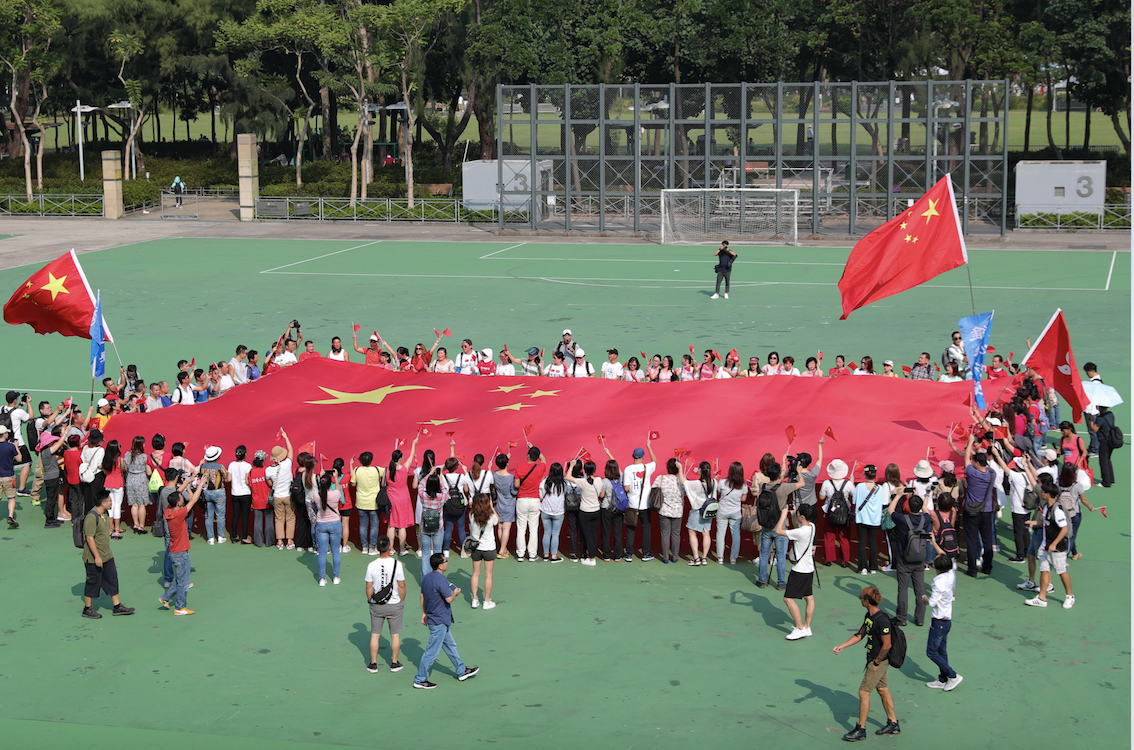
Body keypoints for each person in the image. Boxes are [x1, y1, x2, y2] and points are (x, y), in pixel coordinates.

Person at [832, 587, 901, 741]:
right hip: (874, 659)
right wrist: (842, 645)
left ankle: (860, 729)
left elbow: (887, 645)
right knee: (882, 689)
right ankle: (893, 723)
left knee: (863, 693)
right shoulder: (869, 616)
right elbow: (860, 634)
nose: (860, 599)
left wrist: (876, 662)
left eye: (861, 597)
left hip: (878, 660)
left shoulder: (882, 620)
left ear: (867, 601)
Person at [414, 553, 479, 689]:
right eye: (445, 561)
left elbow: (422, 596)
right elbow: (449, 599)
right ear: (440, 565)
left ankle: (461, 671)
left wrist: (424, 613)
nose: (447, 562)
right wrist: (455, 593)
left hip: (435, 618)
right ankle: (420, 679)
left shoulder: (426, 578)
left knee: (450, 646)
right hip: (439, 620)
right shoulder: (441, 580)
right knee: (432, 652)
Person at [81, 490, 135, 619]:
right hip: (94, 558)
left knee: (112, 579)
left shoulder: (104, 514)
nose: (112, 502)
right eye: (110, 500)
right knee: (93, 582)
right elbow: (89, 538)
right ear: (103, 503)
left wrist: (112, 533)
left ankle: (117, 607)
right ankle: (87, 609)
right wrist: (97, 556)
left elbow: (103, 530)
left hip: (107, 555)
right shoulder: (91, 517)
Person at [755, 462, 805, 589]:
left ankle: (761, 581)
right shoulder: (784, 488)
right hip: (781, 527)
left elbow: (775, 481)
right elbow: (801, 484)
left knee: (764, 554)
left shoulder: (763, 486)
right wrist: (798, 471)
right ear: (779, 475)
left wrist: (782, 475)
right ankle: (781, 583)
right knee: (781, 556)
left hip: (766, 526)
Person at [1023, 485, 1074, 609]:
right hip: (1045, 545)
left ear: (1048, 494)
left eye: (1043, 492)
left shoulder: (1057, 510)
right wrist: (1034, 523)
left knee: (1061, 571)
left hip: (1057, 548)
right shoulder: (1046, 507)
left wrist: (1054, 543)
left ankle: (1069, 596)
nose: (1041, 493)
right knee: (1044, 570)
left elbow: (1064, 529)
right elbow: (1046, 521)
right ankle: (1042, 598)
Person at [158, 476, 203, 615]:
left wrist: (187, 482)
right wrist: (201, 483)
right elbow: (194, 499)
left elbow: (178, 492)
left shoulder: (168, 511)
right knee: (183, 582)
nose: (182, 497)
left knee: (181, 578)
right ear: (178, 503)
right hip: (181, 553)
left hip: (174, 551)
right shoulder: (179, 513)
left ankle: (165, 598)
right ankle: (179, 607)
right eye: (180, 497)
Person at [888, 494, 933, 627]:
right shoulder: (924, 519)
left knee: (903, 589)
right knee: (920, 590)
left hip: (904, 558)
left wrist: (899, 495)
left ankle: (901, 618)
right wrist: (922, 498)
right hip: (919, 559)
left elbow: (891, 510)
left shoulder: (903, 519)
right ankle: (919, 619)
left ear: (908, 506)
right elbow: (927, 511)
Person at [366, 536, 407, 673]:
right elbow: (402, 585)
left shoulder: (371, 565)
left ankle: (373, 663)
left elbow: (368, 586)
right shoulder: (397, 564)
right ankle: (394, 663)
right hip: (394, 604)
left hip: (376, 605)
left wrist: (370, 600)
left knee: (375, 635)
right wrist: (402, 600)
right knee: (395, 635)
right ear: (390, 547)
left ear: (377, 548)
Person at [777, 502, 817, 640]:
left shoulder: (800, 532)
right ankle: (807, 627)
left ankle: (800, 628)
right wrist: (794, 514)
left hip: (799, 570)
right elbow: (798, 525)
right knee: (809, 597)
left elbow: (779, 531)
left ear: (802, 516)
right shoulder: (812, 526)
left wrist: (783, 515)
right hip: (809, 568)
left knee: (788, 598)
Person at [613, 438, 657, 561]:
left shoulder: (627, 469)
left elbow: (626, 488)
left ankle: (629, 554)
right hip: (645, 504)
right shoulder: (647, 468)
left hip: (632, 504)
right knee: (646, 529)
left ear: (633, 456)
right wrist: (649, 446)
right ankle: (645, 553)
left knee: (630, 529)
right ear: (643, 457)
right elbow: (655, 461)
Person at [922, 554, 962, 691]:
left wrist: (924, 597)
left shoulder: (938, 582)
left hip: (938, 622)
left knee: (931, 652)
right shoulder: (950, 575)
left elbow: (932, 602)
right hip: (947, 621)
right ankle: (942, 678)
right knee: (942, 651)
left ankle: (953, 675)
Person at [961, 436, 996, 578]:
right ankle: (987, 567)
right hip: (986, 512)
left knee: (971, 540)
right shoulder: (992, 474)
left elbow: (966, 459)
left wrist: (969, 443)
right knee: (987, 541)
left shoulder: (972, 473)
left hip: (971, 511)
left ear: (976, 463)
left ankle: (972, 569)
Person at [514, 445, 547, 563]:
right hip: (535, 500)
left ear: (528, 456)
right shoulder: (540, 467)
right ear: (537, 457)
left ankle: (520, 554)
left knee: (521, 528)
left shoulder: (520, 467)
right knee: (533, 529)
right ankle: (532, 554)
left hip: (522, 499)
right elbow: (544, 460)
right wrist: (534, 448)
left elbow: (517, 485)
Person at [565, 459, 602, 566]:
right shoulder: (599, 480)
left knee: (588, 535)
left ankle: (591, 558)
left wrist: (571, 466)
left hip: (585, 511)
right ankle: (591, 554)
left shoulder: (583, 482)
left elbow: (568, 477)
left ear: (585, 471)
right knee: (593, 534)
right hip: (596, 510)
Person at [386, 439, 418, 556]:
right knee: (402, 526)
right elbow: (411, 456)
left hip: (391, 500)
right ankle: (402, 549)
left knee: (391, 525)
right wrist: (413, 444)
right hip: (403, 499)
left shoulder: (387, 470)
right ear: (400, 459)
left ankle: (390, 549)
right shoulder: (404, 469)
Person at [651, 458, 685, 564]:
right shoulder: (682, 481)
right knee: (676, 534)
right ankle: (675, 557)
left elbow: (653, 489)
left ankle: (665, 557)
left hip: (664, 510)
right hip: (678, 511)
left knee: (665, 534)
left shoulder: (660, 478)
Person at [682, 461, 716, 566]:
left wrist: (680, 468)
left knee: (692, 532)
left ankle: (696, 558)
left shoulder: (697, 483)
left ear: (700, 470)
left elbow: (684, 482)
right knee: (706, 533)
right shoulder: (714, 482)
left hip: (697, 511)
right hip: (708, 511)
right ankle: (704, 558)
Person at [467, 493, 499, 606]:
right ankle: (486, 601)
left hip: (476, 548)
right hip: (489, 548)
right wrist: (491, 507)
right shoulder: (491, 516)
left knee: (475, 574)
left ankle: (474, 599)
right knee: (488, 575)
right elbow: (498, 520)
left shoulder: (472, 515)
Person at [351, 452, 385, 555]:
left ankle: (364, 547)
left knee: (363, 525)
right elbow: (388, 471)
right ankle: (372, 548)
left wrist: (350, 465)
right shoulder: (377, 470)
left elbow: (353, 483)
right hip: (374, 502)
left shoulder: (357, 470)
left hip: (361, 502)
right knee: (374, 526)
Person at [853, 465, 884, 575]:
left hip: (861, 517)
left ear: (865, 475)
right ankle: (873, 567)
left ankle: (863, 568)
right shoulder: (880, 488)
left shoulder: (860, 486)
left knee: (862, 542)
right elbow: (883, 502)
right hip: (874, 519)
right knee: (872, 542)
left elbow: (854, 501)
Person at [313, 475, 343, 586]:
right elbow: (339, 492)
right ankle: (336, 577)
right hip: (335, 523)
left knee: (322, 553)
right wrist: (336, 479)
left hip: (321, 524)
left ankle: (322, 579)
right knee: (335, 552)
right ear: (331, 484)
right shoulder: (335, 494)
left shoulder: (316, 495)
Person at [715, 462, 747, 564]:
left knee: (720, 534)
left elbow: (719, 492)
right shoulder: (743, 485)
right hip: (736, 512)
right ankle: (733, 558)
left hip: (722, 511)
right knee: (736, 535)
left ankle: (720, 557)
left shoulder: (722, 482)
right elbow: (743, 499)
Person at [267, 433, 295, 550]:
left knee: (279, 519)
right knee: (290, 518)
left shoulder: (268, 470)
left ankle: (279, 542)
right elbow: (291, 451)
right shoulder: (287, 464)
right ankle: (289, 541)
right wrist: (286, 437)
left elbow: (270, 484)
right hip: (288, 495)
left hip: (277, 496)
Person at [200, 446, 228, 544]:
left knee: (209, 516)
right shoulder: (220, 467)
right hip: (219, 492)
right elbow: (226, 476)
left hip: (207, 492)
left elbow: (200, 476)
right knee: (220, 515)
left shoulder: (203, 467)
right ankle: (220, 536)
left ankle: (210, 538)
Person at [539, 462, 567, 562]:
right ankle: (554, 556)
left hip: (545, 510)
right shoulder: (564, 483)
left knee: (546, 533)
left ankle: (546, 554)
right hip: (559, 511)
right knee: (555, 534)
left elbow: (541, 495)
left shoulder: (545, 481)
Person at [493, 453, 517, 559]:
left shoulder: (494, 474)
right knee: (506, 528)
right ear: (507, 463)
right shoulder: (511, 477)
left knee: (500, 527)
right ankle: (502, 550)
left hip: (498, 504)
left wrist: (505, 459)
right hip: (509, 504)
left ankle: (502, 548)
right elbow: (514, 491)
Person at [599, 459, 624, 562]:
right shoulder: (621, 478)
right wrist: (609, 454)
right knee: (618, 533)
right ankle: (617, 556)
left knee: (606, 533)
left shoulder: (605, 481)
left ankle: (606, 555)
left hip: (606, 508)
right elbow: (621, 471)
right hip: (618, 508)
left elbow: (602, 495)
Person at [228, 445, 253, 544]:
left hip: (235, 493)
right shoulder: (247, 466)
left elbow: (229, 479)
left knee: (236, 515)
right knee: (245, 516)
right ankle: (244, 537)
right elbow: (247, 481)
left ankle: (234, 536)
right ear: (245, 454)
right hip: (245, 493)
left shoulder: (231, 465)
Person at [1089, 405, 1117, 488]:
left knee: (1103, 461)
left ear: (1100, 408)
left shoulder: (1100, 418)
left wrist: (1091, 420)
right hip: (1111, 440)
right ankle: (1111, 480)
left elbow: (1094, 429)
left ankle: (1106, 482)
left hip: (1104, 442)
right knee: (1108, 460)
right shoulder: (1111, 414)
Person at [0, 426, 19, 527]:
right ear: (4, 434)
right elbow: (19, 458)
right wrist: (16, 446)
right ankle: (10, 516)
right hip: (8, 476)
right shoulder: (10, 446)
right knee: (11, 497)